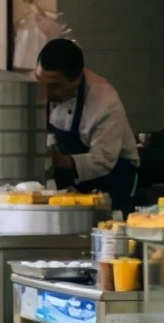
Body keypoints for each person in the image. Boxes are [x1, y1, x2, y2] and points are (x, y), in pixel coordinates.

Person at [36, 38, 141, 215]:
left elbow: (103, 160)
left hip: (113, 177)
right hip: (71, 181)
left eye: (54, 86)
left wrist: (59, 160)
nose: (44, 92)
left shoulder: (104, 101)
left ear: (77, 79)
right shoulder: (38, 88)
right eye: (39, 81)